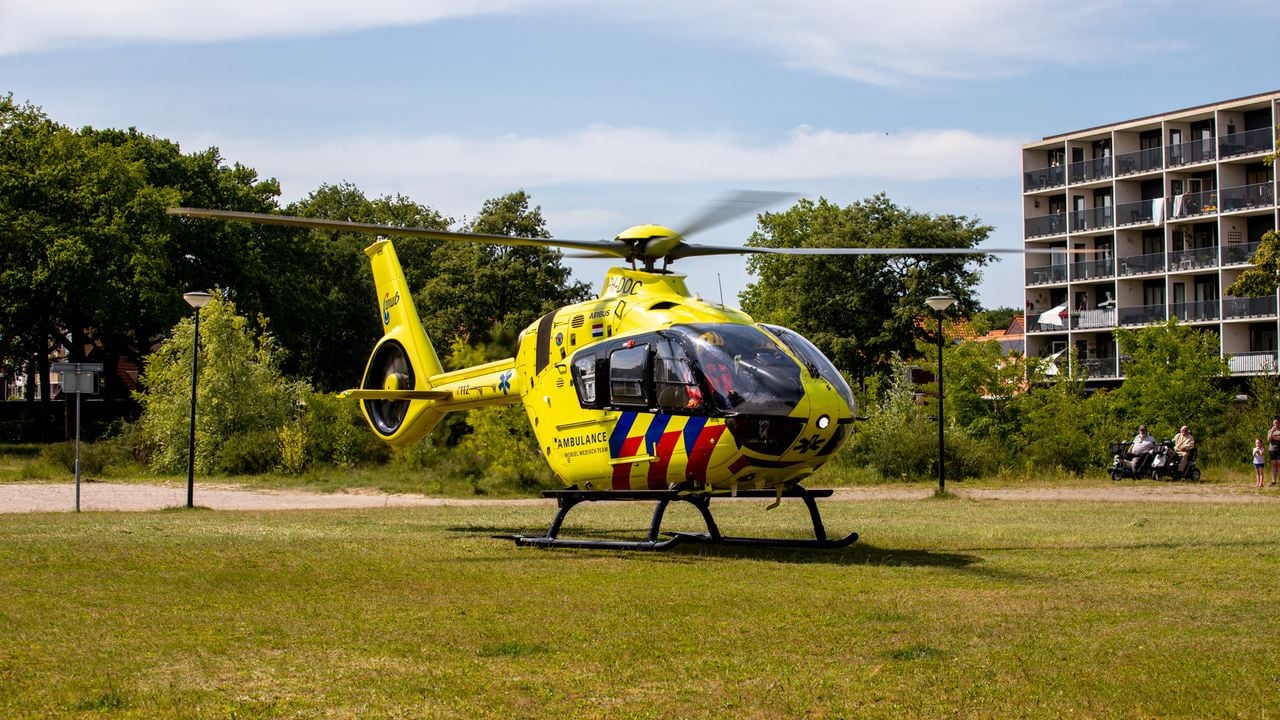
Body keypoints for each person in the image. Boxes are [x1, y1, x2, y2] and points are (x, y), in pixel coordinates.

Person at [1268, 418, 1280, 486]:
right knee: (1274, 465)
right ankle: (1273, 482)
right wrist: (1272, 432)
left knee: (1279, 464)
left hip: (1279, 450)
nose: (1275, 424)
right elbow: (1269, 440)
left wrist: (1274, 437)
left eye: (1277, 423)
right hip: (1272, 449)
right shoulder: (1270, 431)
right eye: (1274, 423)